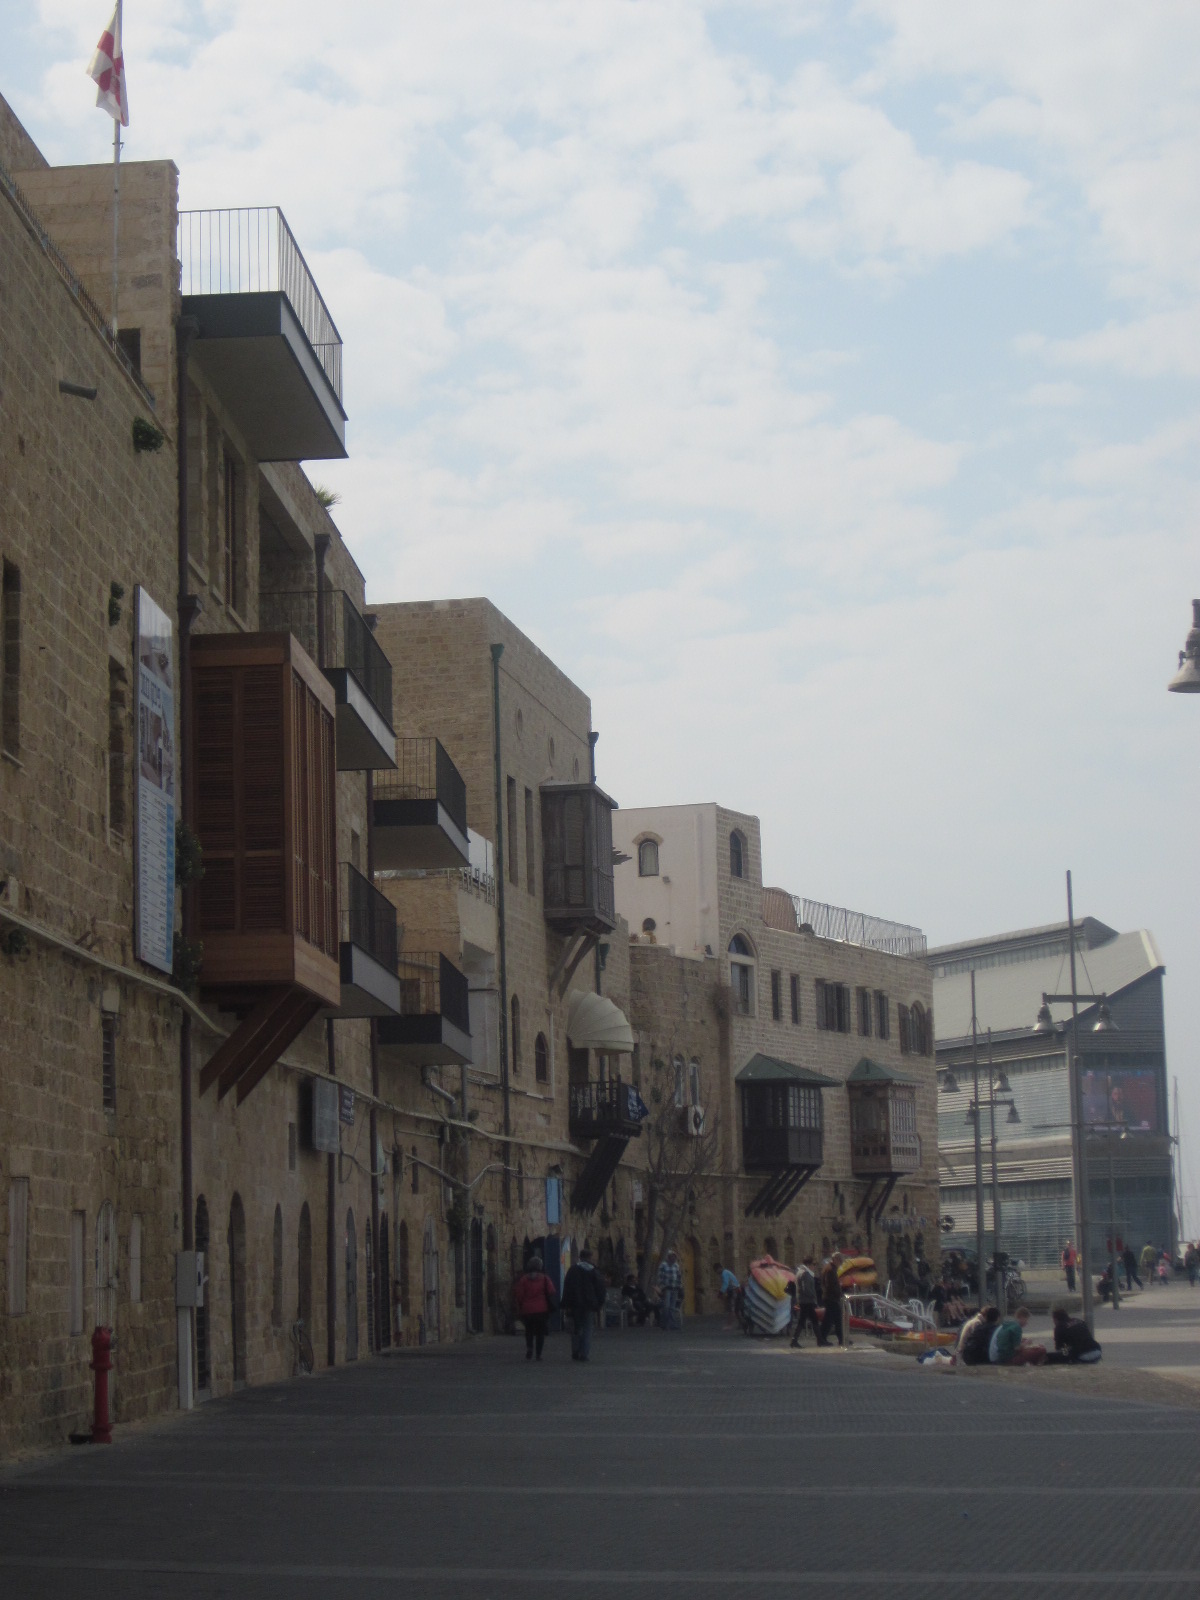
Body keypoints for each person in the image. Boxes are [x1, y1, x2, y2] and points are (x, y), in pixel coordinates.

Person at [561, 1246, 607, 1362]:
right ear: (590, 1258)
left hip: (575, 1304)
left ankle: (575, 1350)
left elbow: (567, 1287)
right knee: (587, 1328)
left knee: (576, 1328)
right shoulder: (594, 1271)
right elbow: (601, 1289)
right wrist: (600, 1303)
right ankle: (584, 1353)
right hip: (589, 1304)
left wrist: (566, 1303)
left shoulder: (573, 1270)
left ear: (580, 1257)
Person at [512, 1254, 558, 1361]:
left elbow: (519, 1294)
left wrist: (521, 1305)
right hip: (542, 1309)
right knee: (540, 1332)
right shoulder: (545, 1279)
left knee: (529, 1330)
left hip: (527, 1309)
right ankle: (538, 1354)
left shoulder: (524, 1279)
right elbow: (552, 1291)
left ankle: (529, 1348)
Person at [789, 1258, 820, 1347]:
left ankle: (820, 1340)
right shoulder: (805, 1274)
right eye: (813, 1264)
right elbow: (806, 1288)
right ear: (808, 1264)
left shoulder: (802, 1272)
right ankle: (794, 1340)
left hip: (805, 1300)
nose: (814, 1267)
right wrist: (813, 1297)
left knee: (812, 1320)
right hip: (807, 1301)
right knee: (805, 1321)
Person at [817, 1253, 846, 1348]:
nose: (840, 1263)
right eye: (840, 1261)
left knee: (829, 1320)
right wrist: (838, 1293)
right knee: (835, 1319)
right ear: (835, 1259)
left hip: (830, 1297)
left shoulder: (830, 1268)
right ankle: (840, 1339)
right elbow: (830, 1285)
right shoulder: (830, 1270)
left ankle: (823, 1338)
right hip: (831, 1298)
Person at [656, 1249, 683, 1329]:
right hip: (667, 1288)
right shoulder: (663, 1265)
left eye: (675, 1257)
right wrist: (662, 1287)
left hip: (675, 1288)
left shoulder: (676, 1265)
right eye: (672, 1256)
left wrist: (679, 1286)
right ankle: (664, 1324)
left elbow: (679, 1276)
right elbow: (660, 1277)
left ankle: (672, 1324)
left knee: (672, 1307)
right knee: (666, 1306)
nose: (674, 1258)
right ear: (668, 1257)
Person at [717, 1263, 740, 1328]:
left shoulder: (724, 1273)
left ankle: (729, 1325)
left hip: (733, 1291)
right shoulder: (727, 1272)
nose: (717, 1273)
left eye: (716, 1271)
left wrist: (720, 1293)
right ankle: (741, 1323)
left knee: (731, 1308)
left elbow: (725, 1284)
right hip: (735, 1290)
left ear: (719, 1268)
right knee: (736, 1309)